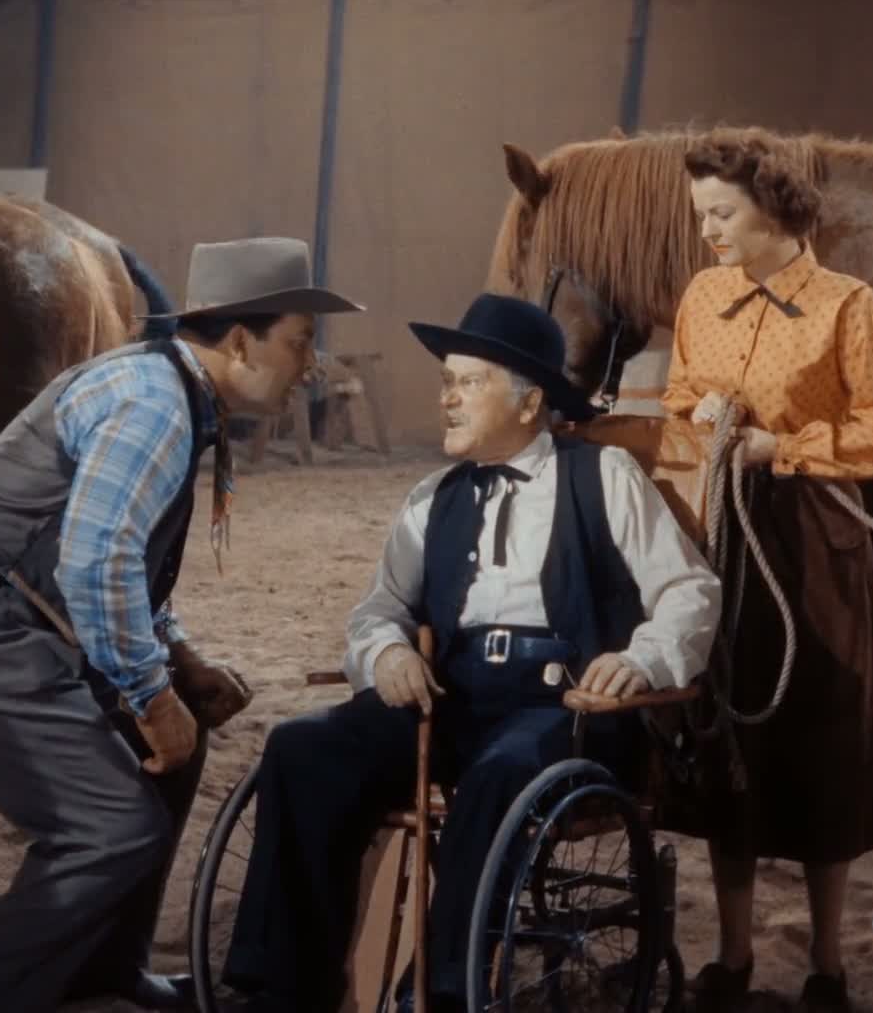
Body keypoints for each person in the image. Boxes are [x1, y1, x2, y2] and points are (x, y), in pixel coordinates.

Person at [0, 237, 363, 1013]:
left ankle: (106, 973)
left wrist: (179, 662)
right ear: (242, 342)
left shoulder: (172, 390)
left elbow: (124, 559)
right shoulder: (155, 407)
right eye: (299, 343)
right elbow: (96, 562)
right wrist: (151, 694)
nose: (309, 365)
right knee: (109, 827)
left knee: (172, 744)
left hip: (11, 612)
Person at [221, 292, 723, 1012]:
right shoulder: (433, 498)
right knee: (303, 748)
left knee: (500, 773)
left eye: (468, 382)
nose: (447, 398)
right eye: (446, 382)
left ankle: (441, 990)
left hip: (567, 707)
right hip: (450, 699)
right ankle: (283, 987)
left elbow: (689, 590)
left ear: (528, 402)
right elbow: (379, 609)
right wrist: (387, 654)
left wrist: (642, 660)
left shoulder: (602, 477)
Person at [660, 128, 873, 1013]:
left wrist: (789, 447)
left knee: (822, 748)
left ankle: (826, 963)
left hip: (817, 547)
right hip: (723, 535)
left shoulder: (848, 306)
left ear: (775, 209)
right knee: (728, 740)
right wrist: (703, 417)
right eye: (701, 214)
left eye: (721, 214)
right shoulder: (703, 296)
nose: (708, 232)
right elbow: (675, 401)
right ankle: (733, 955)